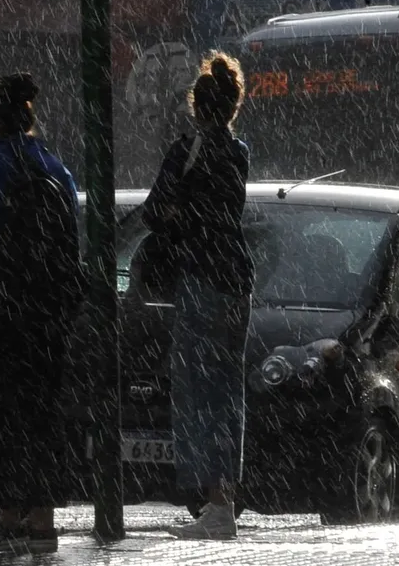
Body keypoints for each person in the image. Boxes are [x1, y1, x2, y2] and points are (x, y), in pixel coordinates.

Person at [0, 73, 81, 556]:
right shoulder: (53, 165)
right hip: (49, 311)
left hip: (5, 310)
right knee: (43, 416)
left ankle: (5, 518)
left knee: (2, 413)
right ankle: (41, 523)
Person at [142, 51, 254, 540]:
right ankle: (225, 498)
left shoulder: (185, 151)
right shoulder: (239, 152)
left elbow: (153, 212)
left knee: (196, 393)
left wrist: (176, 218)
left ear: (195, 107)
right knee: (228, 393)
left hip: (201, 278)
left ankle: (214, 503)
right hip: (236, 277)